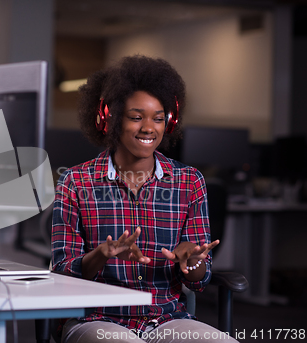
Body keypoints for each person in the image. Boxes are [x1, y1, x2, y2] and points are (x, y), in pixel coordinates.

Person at [51, 55, 236, 343]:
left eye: (158, 118)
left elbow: (200, 278)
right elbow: (62, 274)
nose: (149, 127)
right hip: (96, 319)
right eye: (136, 117)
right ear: (110, 118)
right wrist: (101, 255)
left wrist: (193, 263)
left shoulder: (189, 181)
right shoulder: (75, 182)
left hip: (167, 317)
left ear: (170, 121)